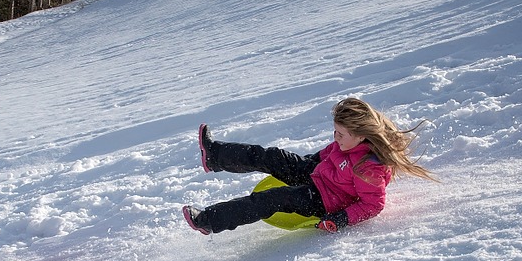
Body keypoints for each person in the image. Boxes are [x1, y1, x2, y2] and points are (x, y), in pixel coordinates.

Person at [182, 97, 435, 235]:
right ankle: (214, 156)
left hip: (323, 200)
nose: (335, 137)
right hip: (317, 173)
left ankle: (208, 221)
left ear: (361, 136)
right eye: (335, 131)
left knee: (269, 199)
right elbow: (330, 153)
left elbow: (373, 204)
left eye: (340, 134)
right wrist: (309, 162)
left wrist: (341, 219)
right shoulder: (346, 144)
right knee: (272, 156)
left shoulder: (369, 168)